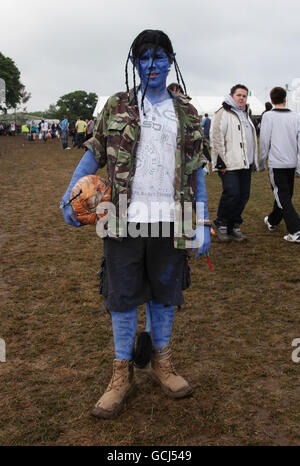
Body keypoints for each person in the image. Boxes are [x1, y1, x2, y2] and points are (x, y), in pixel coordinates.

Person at [60, 29, 210, 419]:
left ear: (171, 60)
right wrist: (69, 194)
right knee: (122, 298)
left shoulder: (187, 112)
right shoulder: (117, 105)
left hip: (173, 219)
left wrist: (203, 221)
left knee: (165, 296)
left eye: (159, 57)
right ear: (135, 64)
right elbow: (93, 153)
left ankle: (163, 363)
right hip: (119, 219)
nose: (152, 65)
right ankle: (120, 375)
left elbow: (197, 171)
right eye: (144, 58)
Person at [210, 84, 258, 242]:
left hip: (245, 164)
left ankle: (234, 225)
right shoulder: (223, 113)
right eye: (239, 95)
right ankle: (222, 224)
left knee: (244, 195)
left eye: (244, 96)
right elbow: (216, 137)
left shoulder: (245, 114)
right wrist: (220, 162)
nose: (242, 98)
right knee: (232, 193)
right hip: (229, 163)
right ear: (231, 95)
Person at [259, 86, 300, 243]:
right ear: (285, 98)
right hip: (291, 163)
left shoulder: (268, 116)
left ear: (271, 100)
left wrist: (261, 162)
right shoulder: (296, 116)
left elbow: (264, 141)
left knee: (283, 197)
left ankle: (296, 230)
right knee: (285, 195)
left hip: (277, 164)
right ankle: (272, 220)